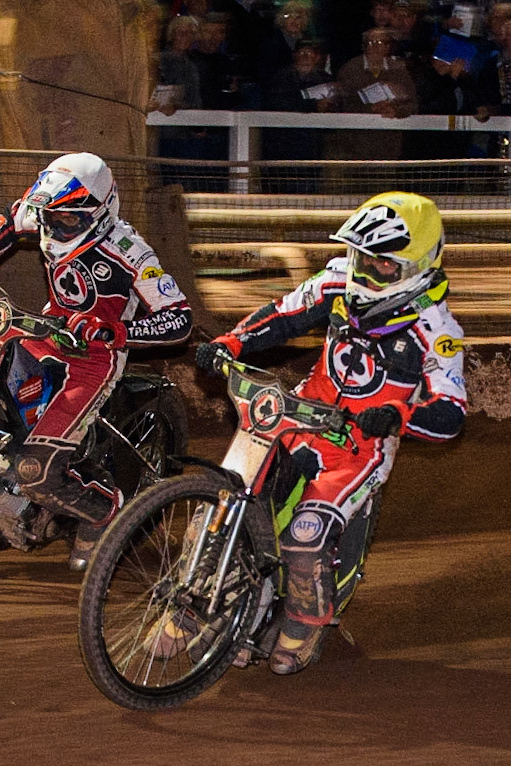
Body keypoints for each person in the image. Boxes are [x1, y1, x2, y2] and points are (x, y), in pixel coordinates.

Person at [192, 193, 468, 675]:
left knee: (307, 533)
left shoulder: (437, 329)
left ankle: (304, 623)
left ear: (417, 266)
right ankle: (201, 601)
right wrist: (230, 343)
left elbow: (451, 412)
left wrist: (398, 416)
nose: (366, 271)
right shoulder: (338, 281)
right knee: (224, 502)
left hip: (360, 447)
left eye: (382, 264)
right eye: (362, 257)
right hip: (299, 416)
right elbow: (283, 316)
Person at [0, 153, 195, 569]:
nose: (56, 227)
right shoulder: (46, 211)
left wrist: (116, 331)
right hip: (46, 332)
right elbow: (11, 218)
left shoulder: (131, 252)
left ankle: (105, 512)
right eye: (50, 218)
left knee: (37, 470)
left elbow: (179, 319)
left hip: (94, 359)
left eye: (68, 220)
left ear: (101, 211)